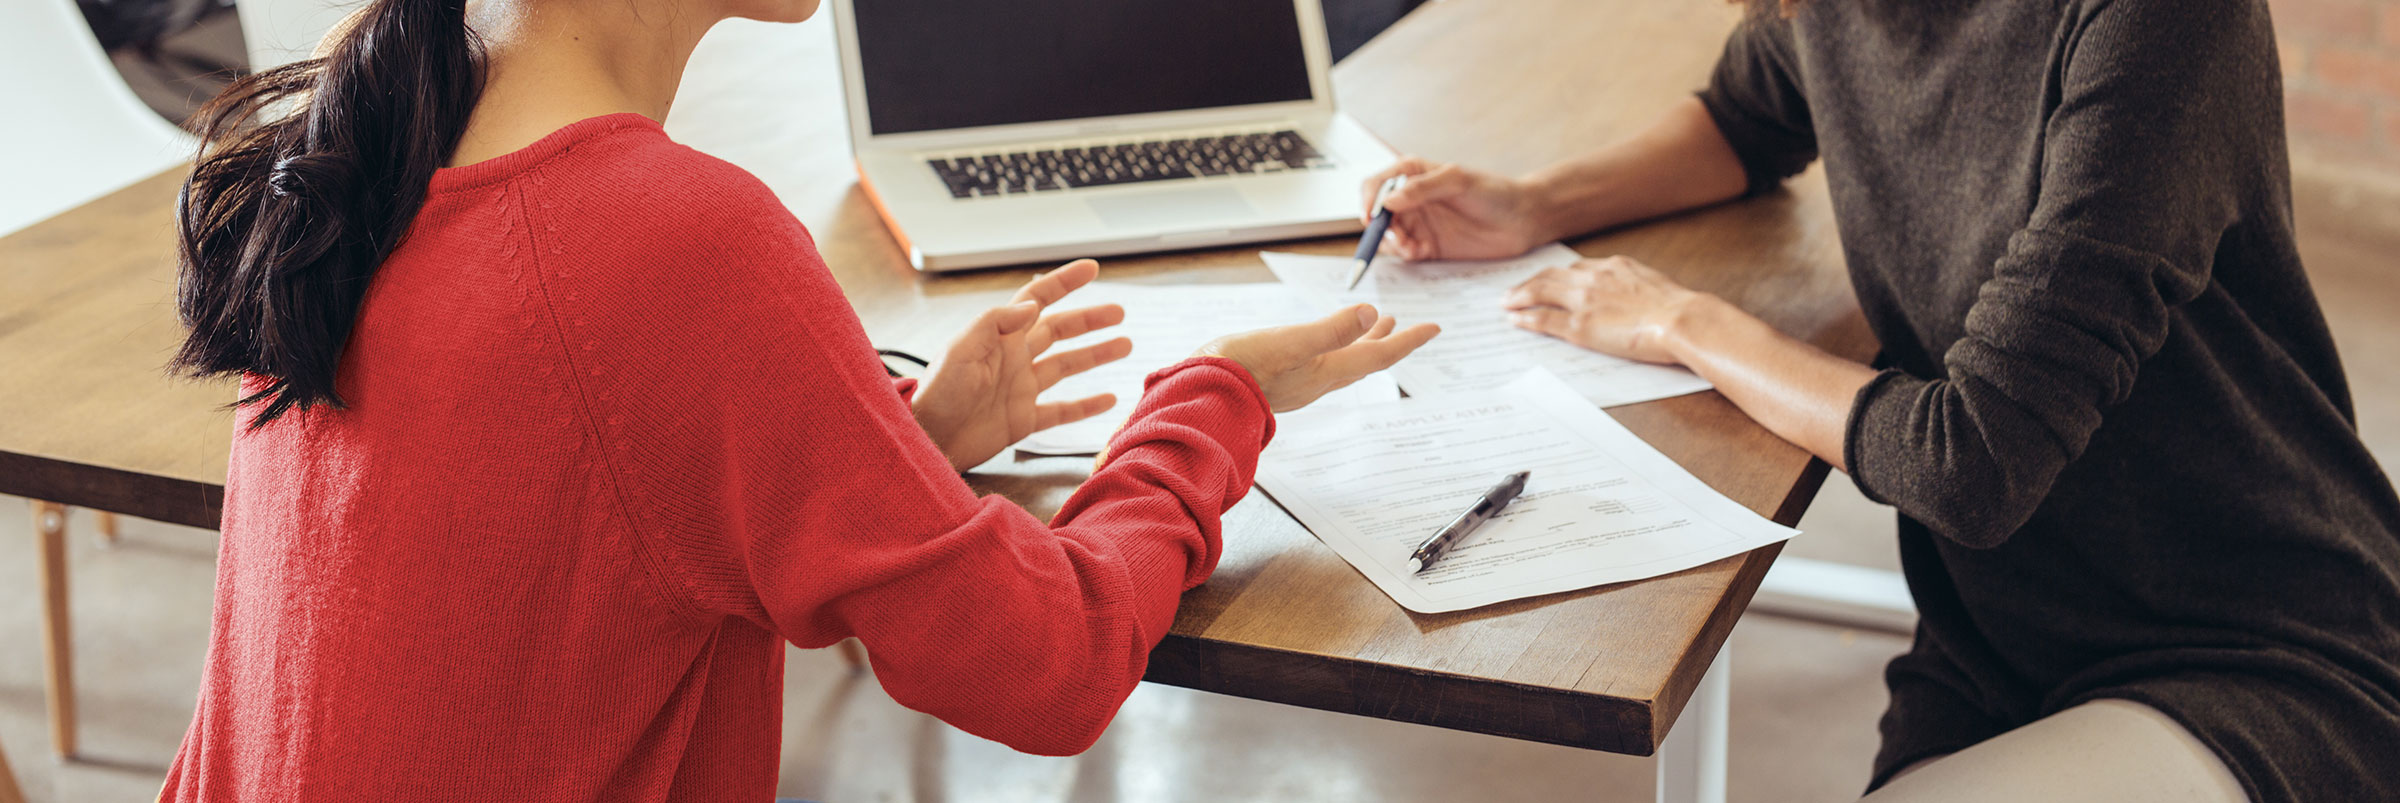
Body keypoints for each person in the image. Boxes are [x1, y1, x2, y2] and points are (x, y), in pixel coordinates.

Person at [157, 0, 1439, 797]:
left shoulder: (369, 113)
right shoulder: (675, 236)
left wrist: (896, 447)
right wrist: (1211, 403)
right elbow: (1044, 665)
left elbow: (567, 523)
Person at [1361, 0, 2400, 801]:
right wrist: (1531, 204)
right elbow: (1746, 117)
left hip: (2252, 640)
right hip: (1996, 630)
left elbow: (1971, 461)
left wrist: (1683, 321)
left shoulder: (2163, 26)